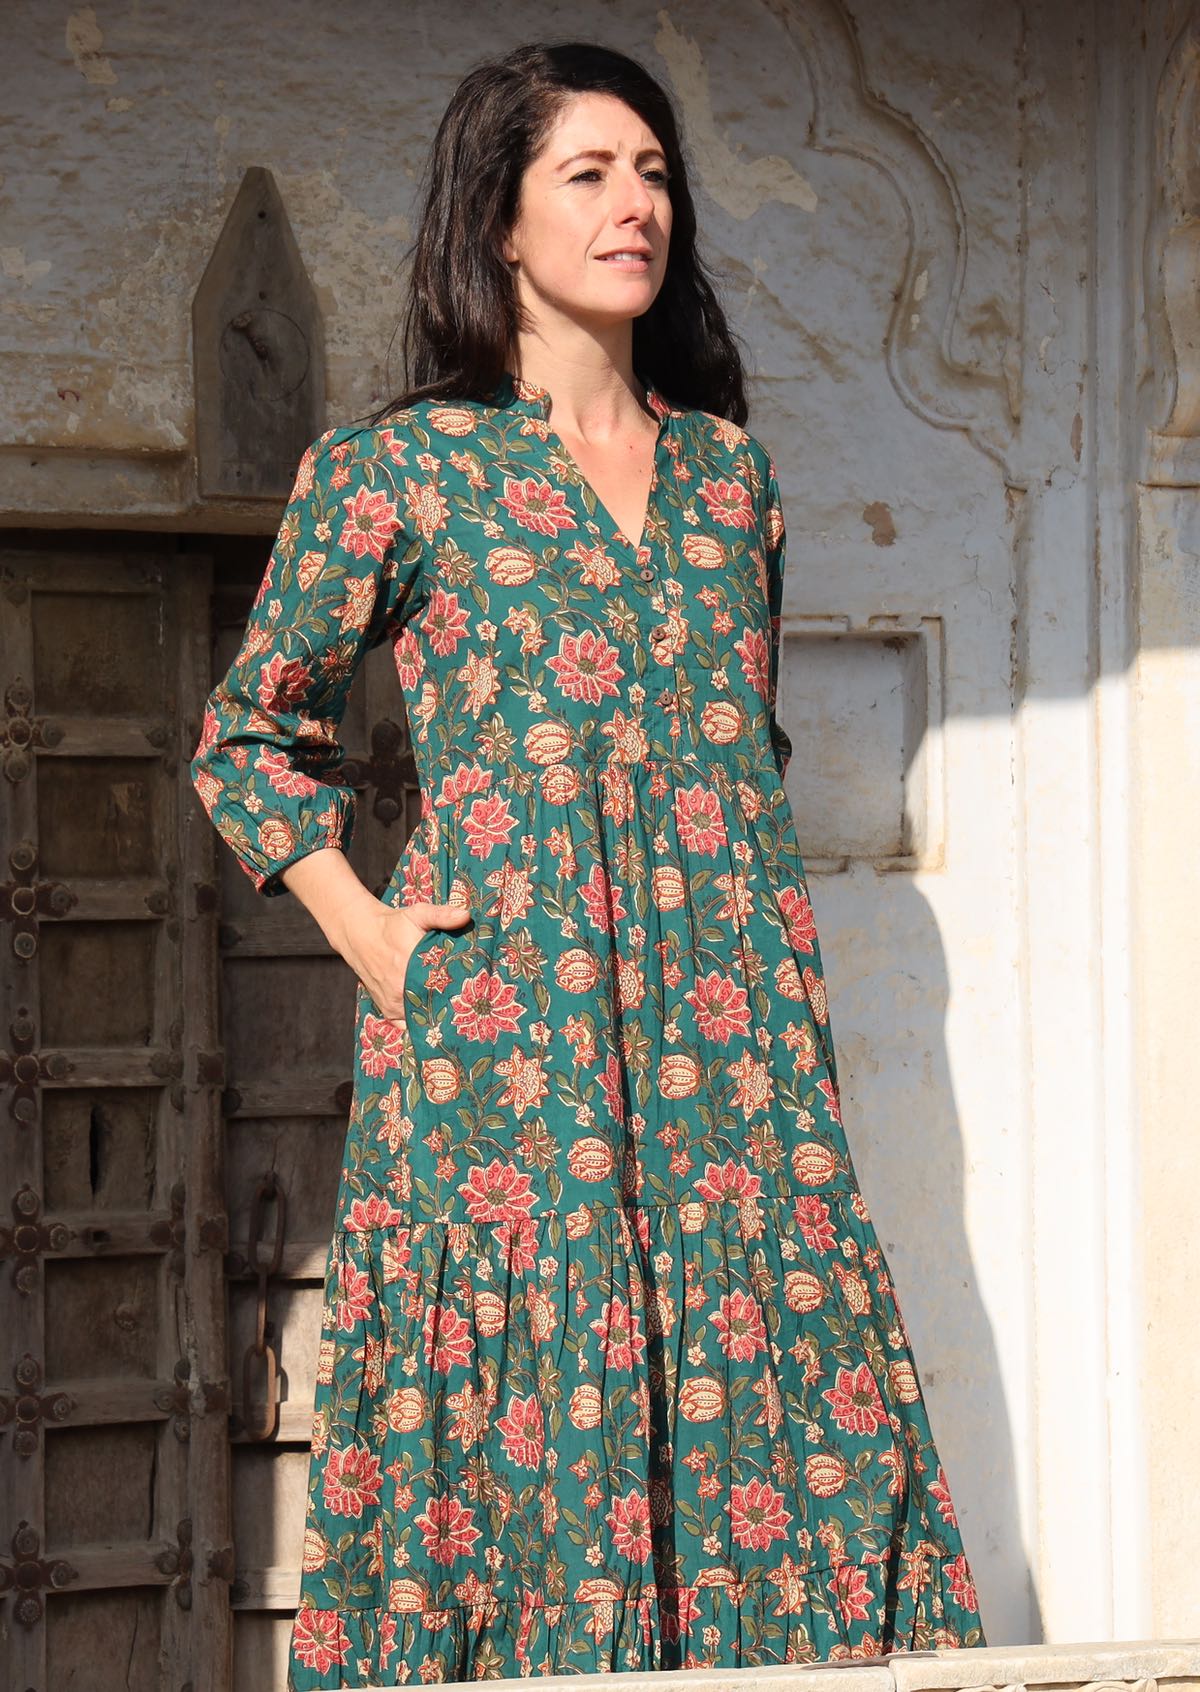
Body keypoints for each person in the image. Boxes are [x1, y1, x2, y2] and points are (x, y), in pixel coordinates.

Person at [191, 39, 984, 1691]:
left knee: (788, 1400)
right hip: (515, 1050)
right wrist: (379, 936)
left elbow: (728, 761)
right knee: (530, 1417)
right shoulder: (397, 473)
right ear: (499, 220)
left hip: (734, 1052)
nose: (638, 206)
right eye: (590, 174)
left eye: (655, 173)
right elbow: (243, 741)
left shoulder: (728, 483)